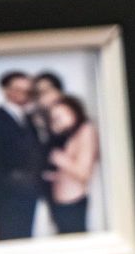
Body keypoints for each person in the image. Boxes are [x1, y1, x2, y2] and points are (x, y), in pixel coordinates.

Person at [0, 70, 46, 241]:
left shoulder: (29, 119)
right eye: (19, 90)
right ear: (6, 90)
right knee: (10, 242)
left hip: (28, 193)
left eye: (28, 91)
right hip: (6, 198)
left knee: (25, 238)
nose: (25, 95)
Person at [42, 95, 99, 234]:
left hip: (73, 202)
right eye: (54, 119)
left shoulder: (86, 130)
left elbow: (84, 174)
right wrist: (56, 175)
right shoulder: (70, 134)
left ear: (73, 111)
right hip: (61, 203)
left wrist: (61, 160)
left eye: (61, 116)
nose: (58, 122)